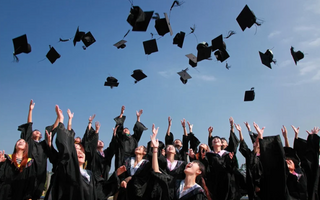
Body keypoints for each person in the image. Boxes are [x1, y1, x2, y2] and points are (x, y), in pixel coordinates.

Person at [45, 105, 126, 200]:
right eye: (76, 149)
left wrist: (115, 174)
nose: (80, 152)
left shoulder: (89, 175)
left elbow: (100, 193)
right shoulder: (68, 170)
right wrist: (62, 121)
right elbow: (66, 145)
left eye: (81, 151)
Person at [150, 124, 211, 200]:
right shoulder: (174, 183)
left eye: (193, 163)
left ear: (199, 171)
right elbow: (157, 171)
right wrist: (155, 149)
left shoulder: (199, 193)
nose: (189, 163)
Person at [18, 99, 49, 200]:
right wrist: (30, 110)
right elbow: (29, 125)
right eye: (35, 131)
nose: (37, 132)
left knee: (37, 194)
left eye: (38, 132)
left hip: (41, 172)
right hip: (29, 170)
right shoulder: (29, 143)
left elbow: (52, 130)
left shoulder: (43, 145)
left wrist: (58, 118)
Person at [205, 127, 237, 200]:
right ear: (211, 144)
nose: (216, 140)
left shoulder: (226, 154)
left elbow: (232, 168)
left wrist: (231, 160)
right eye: (214, 139)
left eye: (218, 140)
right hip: (214, 181)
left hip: (226, 181)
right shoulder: (208, 155)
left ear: (221, 144)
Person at [235, 122, 263, 200]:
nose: (255, 142)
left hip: (262, 186)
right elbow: (243, 144)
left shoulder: (263, 156)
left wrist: (259, 185)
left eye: (257, 141)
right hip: (251, 185)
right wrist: (240, 131)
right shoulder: (250, 155)